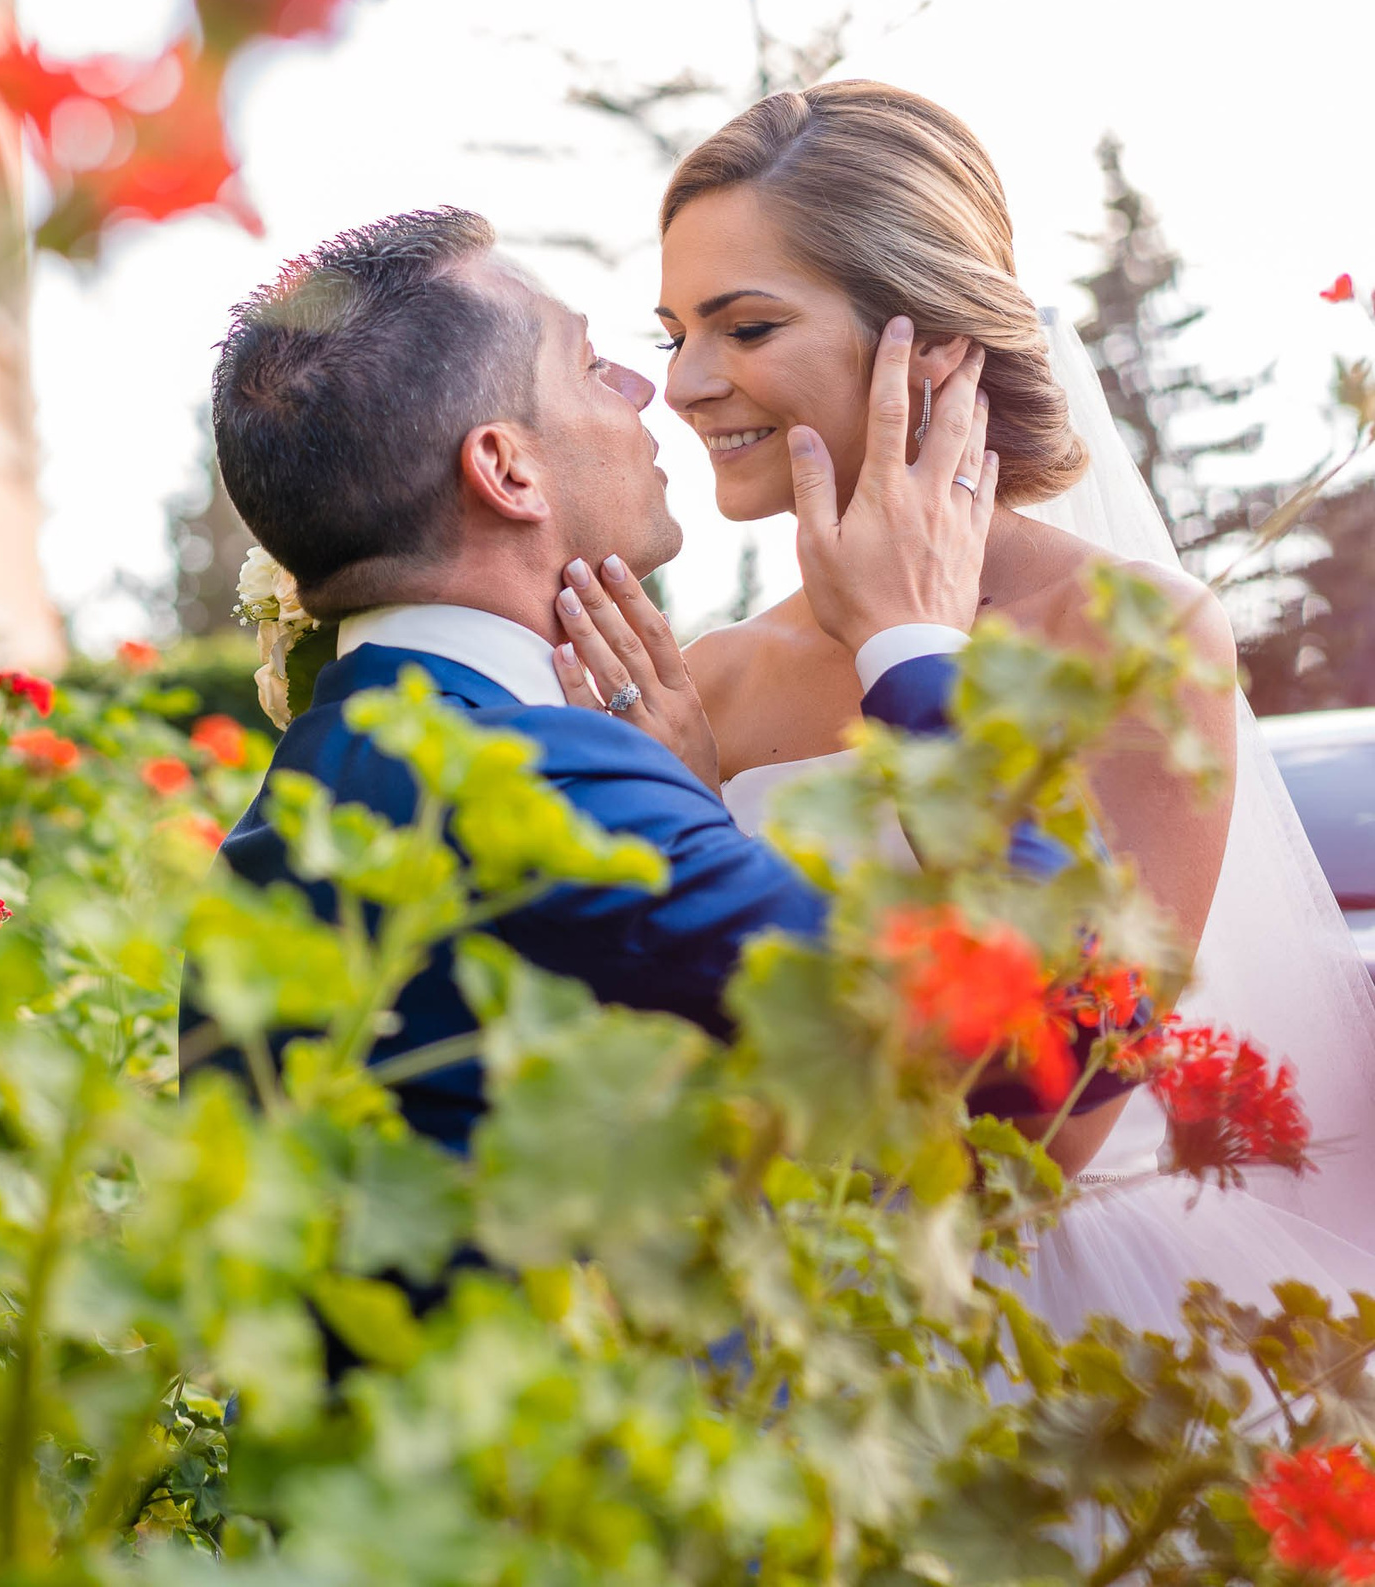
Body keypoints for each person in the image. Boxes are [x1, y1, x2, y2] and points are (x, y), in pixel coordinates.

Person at [645, 80, 1375, 1338]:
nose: (686, 385)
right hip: (791, 1318)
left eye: (745, 327)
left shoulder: (1134, 636)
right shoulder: (705, 685)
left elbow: (1069, 1108)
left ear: (923, 343)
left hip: (1065, 1321)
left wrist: (902, 648)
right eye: (671, 335)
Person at [188, 206, 1122, 1159]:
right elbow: (1072, 1018)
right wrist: (914, 641)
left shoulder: (297, 804)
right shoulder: (546, 792)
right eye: (594, 365)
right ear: (508, 471)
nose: (653, 388)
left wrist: (693, 808)